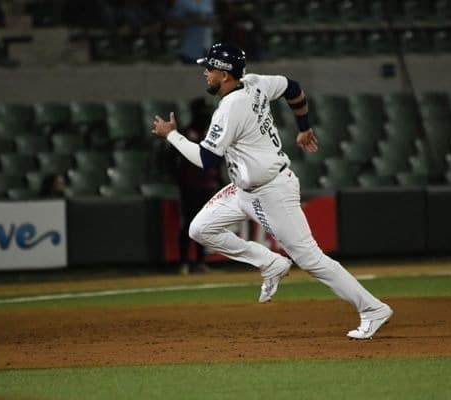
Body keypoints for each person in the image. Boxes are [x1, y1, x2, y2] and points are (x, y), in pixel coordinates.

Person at [152, 43, 393, 339]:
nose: (206, 72)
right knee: (200, 229)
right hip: (243, 189)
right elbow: (293, 87)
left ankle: (372, 309)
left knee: (311, 259)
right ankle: (270, 262)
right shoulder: (255, 82)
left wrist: (171, 135)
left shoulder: (230, 108)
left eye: (210, 68)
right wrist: (303, 126)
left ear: (225, 75)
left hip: (271, 190)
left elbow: (206, 159)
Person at [175, 97, 222, 275]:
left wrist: (218, 179)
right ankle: (184, 262)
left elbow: (219, 159)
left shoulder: (213, 134)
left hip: (208, 184)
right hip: (190, 184)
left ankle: (201, 262)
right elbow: (170, 158)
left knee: (205, 224)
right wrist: (178, 177)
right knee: (188, 222)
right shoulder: (186, 133)